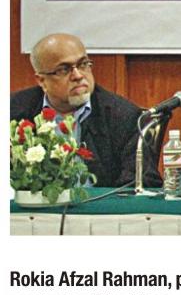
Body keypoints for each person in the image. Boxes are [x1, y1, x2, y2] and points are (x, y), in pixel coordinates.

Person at [10, 33, 160, 187]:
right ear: (42, 80)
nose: (78, 75)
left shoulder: (122, 116)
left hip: (99, 202)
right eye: (63, 70)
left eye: (83, 64)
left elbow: (142, 181)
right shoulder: (12, 111)